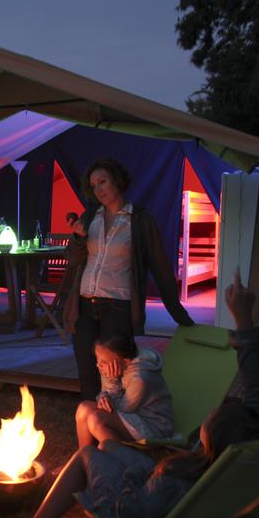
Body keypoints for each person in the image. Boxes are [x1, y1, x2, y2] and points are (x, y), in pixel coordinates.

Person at [5, 270, 259, 518]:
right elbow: (256, 388)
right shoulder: (249, 447)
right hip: (162, 485)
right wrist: (244, 320)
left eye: (213, 417)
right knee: (106, 446)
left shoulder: (172, 484)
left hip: (132, 507)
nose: (210, 413)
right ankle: (95, 461)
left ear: (214, 441)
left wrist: (132, 473)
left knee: (87, 454)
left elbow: (131, 509)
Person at [63, 157, 193, 402]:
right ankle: (89, 419)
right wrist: (78, 238)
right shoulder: (90, 217)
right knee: (87, 370)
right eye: (93, 186)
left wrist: (179, 314)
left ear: (118, 180)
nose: (98, 189)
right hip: (84, 305)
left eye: (103, 182)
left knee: (113, 373)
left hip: (118, 306)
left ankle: (116, 420)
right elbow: (72, 259)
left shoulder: (141, 221)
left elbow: (161, 268)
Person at [74, 333, 174, 448]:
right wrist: (103, 397)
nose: (98, 365)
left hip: (153, 426)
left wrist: (112, 382)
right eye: (97, 359)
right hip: (131, 416)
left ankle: (118, 457)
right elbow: (106, 394)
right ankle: (84, 453)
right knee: (83, 408)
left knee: (96, 419)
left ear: (125, 362)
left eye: (104, 362)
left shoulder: (140, 379)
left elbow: (122, 409)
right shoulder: (111, 366)